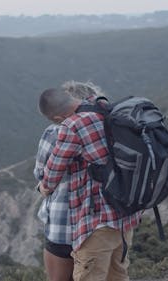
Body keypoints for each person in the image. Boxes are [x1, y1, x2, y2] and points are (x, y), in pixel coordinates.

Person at [38, 87, 141, 281]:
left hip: (97, 224)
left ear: (59, 119)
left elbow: (52, 173)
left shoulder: (73, 126)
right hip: (126, 218)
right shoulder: (101, 104)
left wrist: (44, 187)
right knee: (118, 276)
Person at [34, 81, 105, 281]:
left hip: (64, 223)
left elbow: (43, 175)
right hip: (105, 221)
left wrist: (43, 187)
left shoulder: (56, 132)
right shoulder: (106, 122)